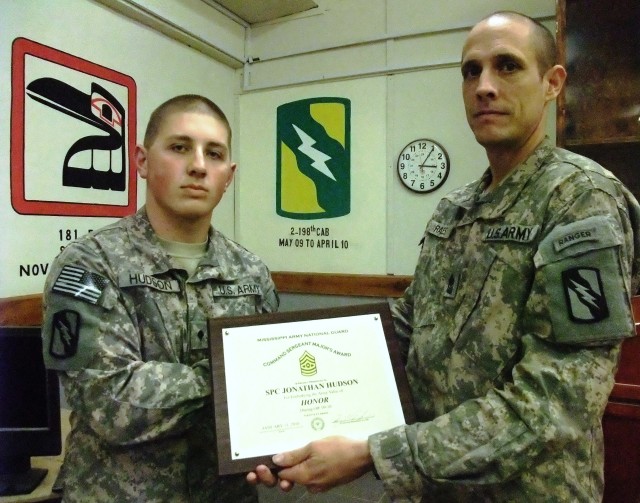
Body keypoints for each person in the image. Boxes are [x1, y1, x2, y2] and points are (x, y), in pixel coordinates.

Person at [249, 11, 640, 502]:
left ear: (552, 83)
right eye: (471, 71)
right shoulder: (456, 208)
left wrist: (379, 453)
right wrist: (287, 389)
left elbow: (558, 400)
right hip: (431, 489)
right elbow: (411, 322)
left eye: (508, 66)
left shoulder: (580, 201)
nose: (484, 86)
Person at [42, 95, 279, 502]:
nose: (199, 166)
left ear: (229, 175)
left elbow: (271, 396)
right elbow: (109, 402)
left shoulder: (251, 273)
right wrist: (237, 378)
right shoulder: (89, 266)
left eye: (215, 153)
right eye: (180, 147)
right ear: (142, 161)